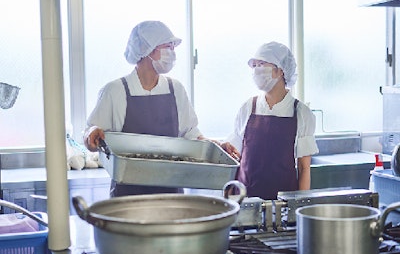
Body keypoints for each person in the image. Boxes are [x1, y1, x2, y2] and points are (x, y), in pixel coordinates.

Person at [84, 20, 204, 197]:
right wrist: (91, 134)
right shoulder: (115, 91)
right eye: (167, 47)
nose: (172, 53)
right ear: (146, 49)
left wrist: (216, 147)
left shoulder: (175, 89)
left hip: (171, 193)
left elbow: (190, 134)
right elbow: (92, 138)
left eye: (173, 47)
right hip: (128, 195)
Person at [221, 41, 319, 200]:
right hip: (245, 200)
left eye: (261, 64)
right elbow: (234, 157)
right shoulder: (248, 107)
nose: (256, 70)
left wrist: (298, 206)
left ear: (280, 71)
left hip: (282, 204)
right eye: (254, 65)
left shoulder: (301, 113)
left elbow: (304, 168)